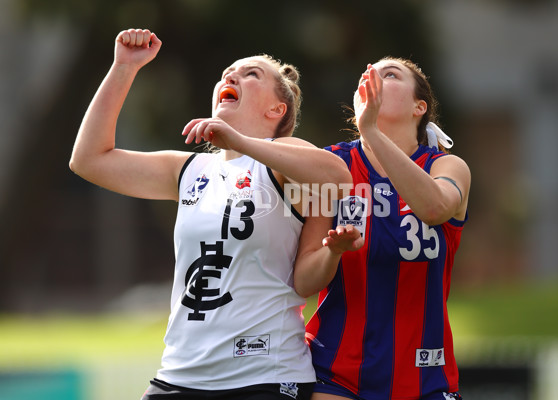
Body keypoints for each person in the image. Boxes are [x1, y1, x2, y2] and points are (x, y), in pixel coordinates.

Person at [69, 28, 360, 400]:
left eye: (252, 74)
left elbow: (336, 176)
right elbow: (89, 160)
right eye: (228, 72)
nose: (231, 76)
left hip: (263, 376)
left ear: (276, 109)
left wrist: (238, 141)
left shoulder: (283, 157)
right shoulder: (189, 169)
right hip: (180, 373)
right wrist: (124, 67)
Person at [304, 58, 471, 400]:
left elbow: (435, 207)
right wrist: (332, 252)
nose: (375, 78)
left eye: (390, 75)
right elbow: (303, 280)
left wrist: (372, 134)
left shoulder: (447, 166)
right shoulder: (332, 166)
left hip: (426, 375)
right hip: (336, 372)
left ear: (418, 107)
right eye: (369, 74)